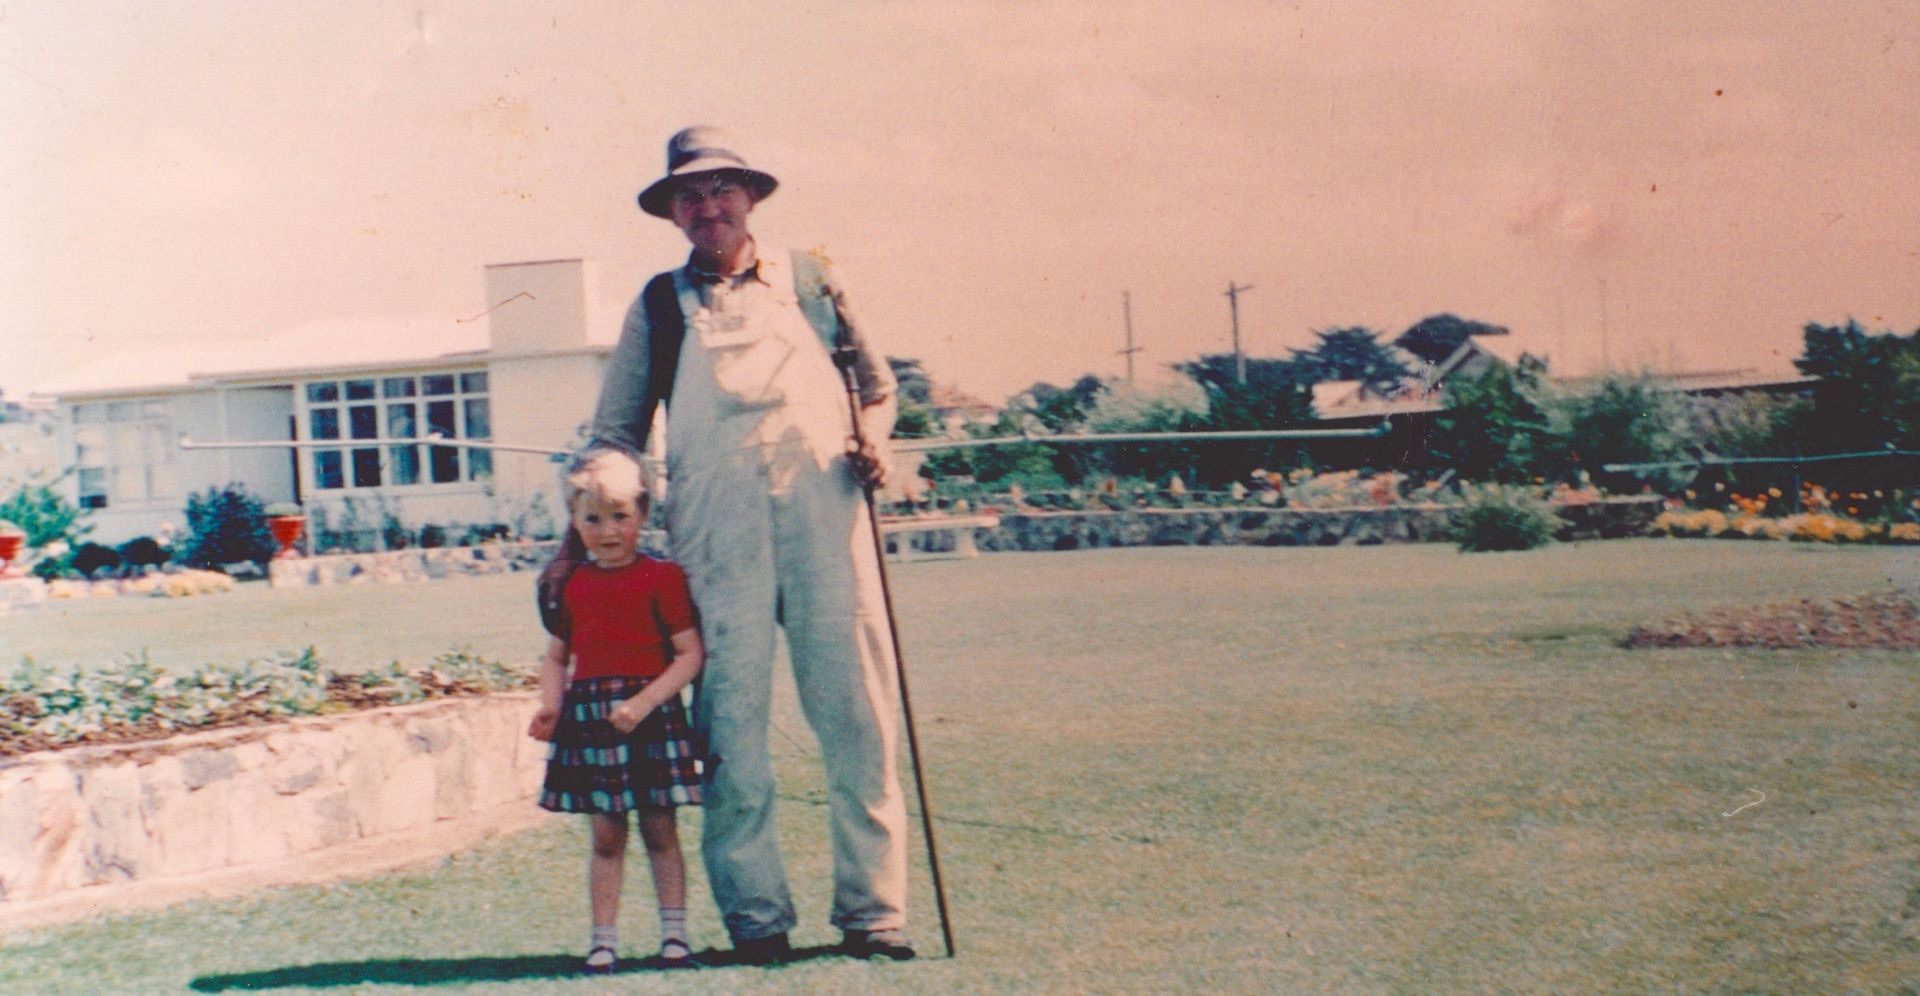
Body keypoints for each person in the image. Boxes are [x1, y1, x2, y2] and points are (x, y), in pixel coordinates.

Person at [587, 125, 914, 963]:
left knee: (857, 719)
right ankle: (756, 918)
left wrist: (875, 438)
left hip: (826, 526)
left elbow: (877, 393)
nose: (708, 207)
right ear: (672, 213)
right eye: (688, 196)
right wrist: (607, 500)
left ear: (752, 196)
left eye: (721, 189)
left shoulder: (814, 283)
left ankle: (874, 912)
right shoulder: (660, 305)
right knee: (729, 728)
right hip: (714, 539)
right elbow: (617, 433)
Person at [529, 447, 707, 974]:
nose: (607, 531)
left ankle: (674, 938)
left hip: (650, 717)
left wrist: (645, 701)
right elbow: (557, 657)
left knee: (659, 831)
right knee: (607, 837)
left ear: (644, 513)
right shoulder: (575, 584)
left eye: (620, 517)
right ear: (575, 522)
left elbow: (690, 654)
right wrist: (550, 705)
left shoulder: (663, 577)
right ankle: (602, 942)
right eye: (592, 519)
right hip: (591, 721)